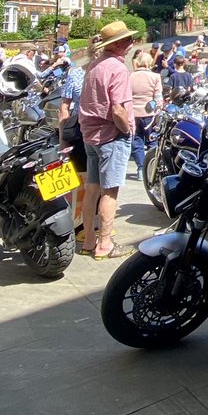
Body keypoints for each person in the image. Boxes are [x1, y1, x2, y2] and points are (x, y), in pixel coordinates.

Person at [78, 20, 135, 260]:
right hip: (111, 136)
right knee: (110, 192)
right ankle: (105, 244)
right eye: (129, 40)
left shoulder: (94, 65)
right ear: (119, 44)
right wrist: (127, 130)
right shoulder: (117, 69)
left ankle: (89, 240)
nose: (132, 43)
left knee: (92, 189)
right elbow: (119, 110)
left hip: (90, 135)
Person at [58, 56, 88, 235]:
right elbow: (64, 107)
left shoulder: (109, 70)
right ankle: (78, 224)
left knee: (97, 179)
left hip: (99, 131)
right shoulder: (76, 74)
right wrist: (63, 138)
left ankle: (91, 221)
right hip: (79, 130)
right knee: (81, 177)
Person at [129, 50, 163, 174]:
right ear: (149, 63)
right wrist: (158, 111)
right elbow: (158, 97)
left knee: (137, 140)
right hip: (150, 113)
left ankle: (140, 168)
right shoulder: (155, 77)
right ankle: (151, 168)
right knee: (152, 140)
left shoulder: (130, 76)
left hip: (133, 113)